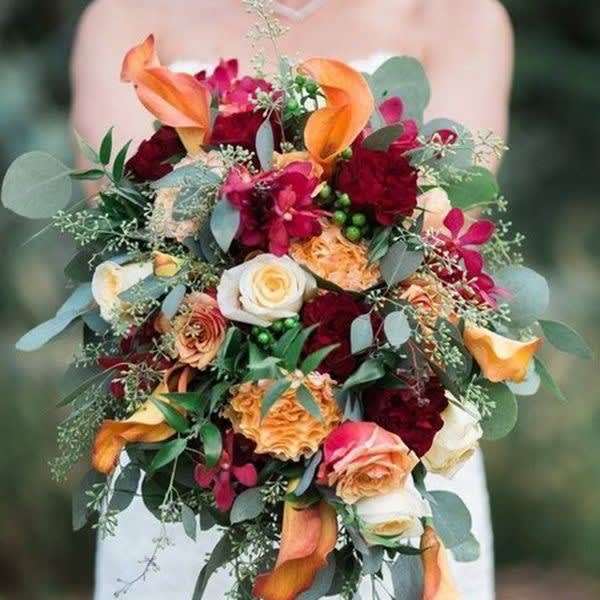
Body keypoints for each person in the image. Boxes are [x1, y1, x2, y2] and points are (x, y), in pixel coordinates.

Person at [71, 1, 513, 598]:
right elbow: (128, 228)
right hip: (190, 456)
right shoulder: (124, 14)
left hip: (385, 466)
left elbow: (444, 230)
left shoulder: (459, 15)